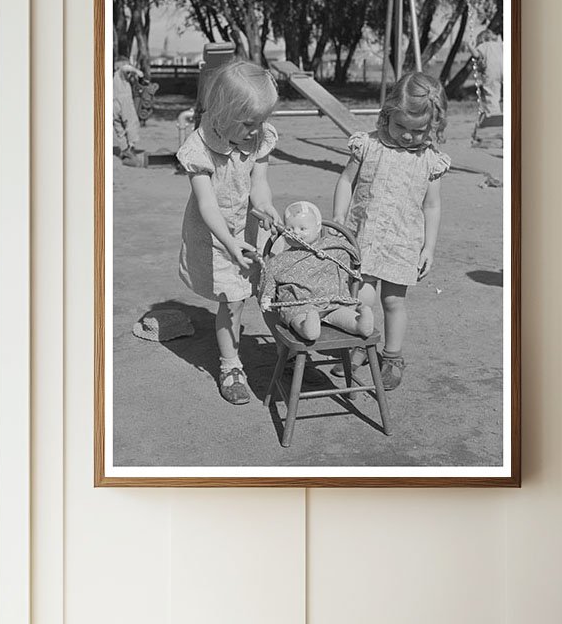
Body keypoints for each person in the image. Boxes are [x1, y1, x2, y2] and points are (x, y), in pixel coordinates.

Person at [332, 71, 451, 391]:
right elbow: (346, 181)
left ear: (433, 126)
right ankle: (361, 342)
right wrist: (339, 218)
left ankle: (393, 356)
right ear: (387, 114)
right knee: (361, 297)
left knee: (394, 301)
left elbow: (432, 206)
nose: (408, 137)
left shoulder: (430, 161)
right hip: (365, 237)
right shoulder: (367, 145)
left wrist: (429, 248)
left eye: (419, 131)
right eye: (401, 127)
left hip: (403, 242)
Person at [177, 60, 281, 405]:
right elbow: (207, 205)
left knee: (263, 288)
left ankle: (286, 348)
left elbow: (260, 183)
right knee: (233, 300)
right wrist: (230, 242)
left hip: (247, 225)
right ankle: (231, 365)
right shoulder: (199, 148)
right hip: (216, 234)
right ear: (222, 113)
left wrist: (264, 206)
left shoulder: (258, 138)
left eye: (261, 121)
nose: (257, 130)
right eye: (249, 122)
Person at [258, 201, 375, 342]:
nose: (296, 232)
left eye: (303, 228)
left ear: (318, 227)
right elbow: (269, 277)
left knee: (344, 314)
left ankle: (359, 324)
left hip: (333, 302)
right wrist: (266, 298)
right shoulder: (280, 260)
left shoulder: (330, 247)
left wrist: (341, 240)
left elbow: (354, 254)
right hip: (299, 307)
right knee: (297, 318)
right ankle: (307, 327)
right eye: (290, 228)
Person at [112, 58, 143, 165]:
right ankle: (131, 147)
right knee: (131, 123)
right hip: (123, 101)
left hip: (113, 103)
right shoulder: (120, 73)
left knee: (118, 126)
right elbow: (125, 68)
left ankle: (124, 149)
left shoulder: (113, 78)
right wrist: (138, 72)